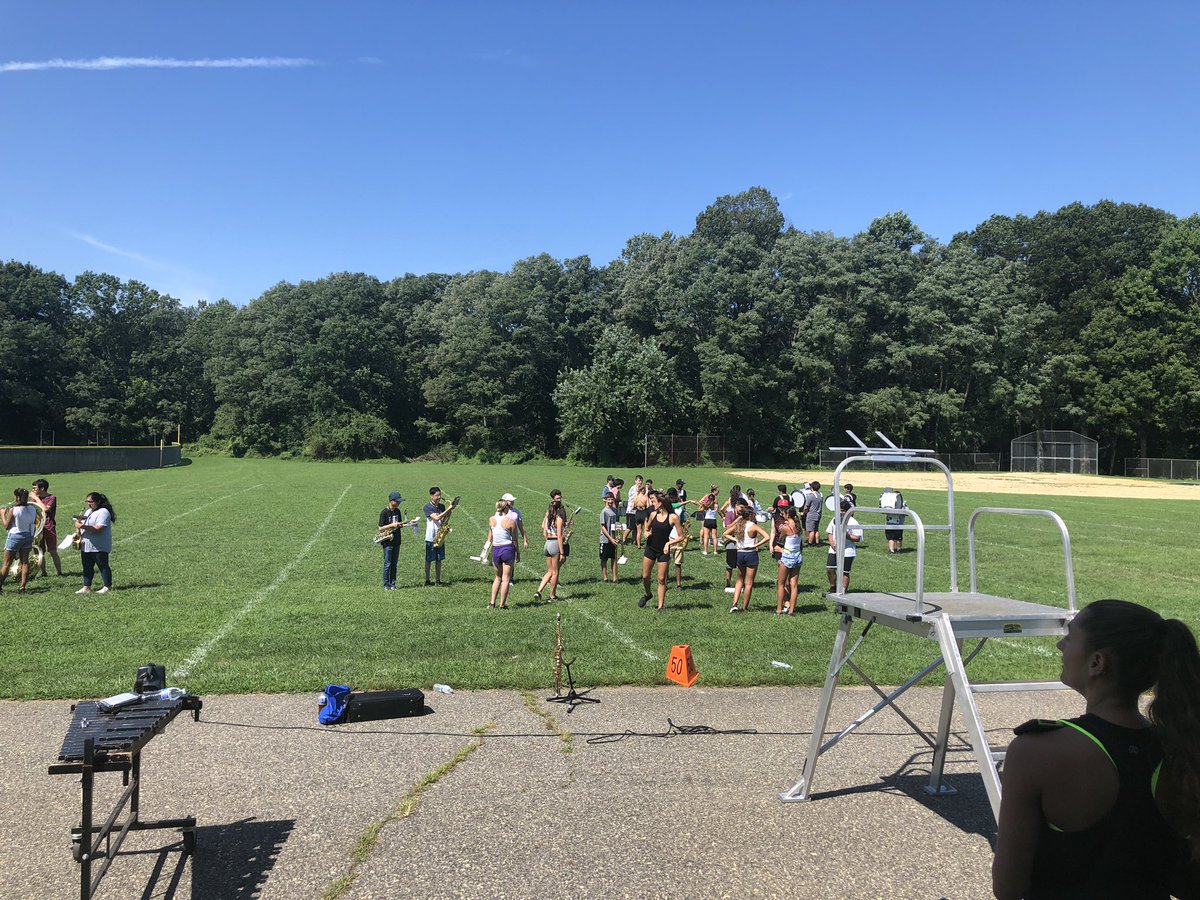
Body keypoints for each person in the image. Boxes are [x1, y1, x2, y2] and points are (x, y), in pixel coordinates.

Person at [992, 600, 1200, 899]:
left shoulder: (1036, 752)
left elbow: (1008, 888)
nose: (1060, 646)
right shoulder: (1179, 747)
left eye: (1070, 637)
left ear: (1096, 663)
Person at [722, 504, 770, 613]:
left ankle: (734, 604)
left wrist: (736, 540)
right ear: (751, 515)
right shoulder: (753, 526)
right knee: (749, 583)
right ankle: (745, 607)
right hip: (751, 554)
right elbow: (767, 536)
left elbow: (725, 533)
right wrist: (756, 545)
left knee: (739, 580)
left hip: (740, 553)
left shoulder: (739, 524)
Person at [639, 491, 680, 611]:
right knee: (645, 576)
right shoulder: (653, 514)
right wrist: (646, 533)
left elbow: (681, 536)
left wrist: (668, 543)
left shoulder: (673, 517)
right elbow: (646, 528)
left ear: (661, 503)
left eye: (654, 501)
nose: (652, 504)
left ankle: (661, 607)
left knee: (661, 579)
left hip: (664, 551)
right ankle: (648, 594)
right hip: (650, 548)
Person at [1, 487, 45, 594]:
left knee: (6, 563)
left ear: (17, 497)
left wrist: (2, 514)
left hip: (15, 536)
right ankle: (22, 586)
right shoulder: (33, 509)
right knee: (24, 562)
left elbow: (6, 526)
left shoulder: (13, 510)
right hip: (28, 536)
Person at [75, 491, 115, 595]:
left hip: (98, 545)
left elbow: (99, 529)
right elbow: (84, 525)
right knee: (87, 567)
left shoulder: (103, 512)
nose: (89, 504)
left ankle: (107, 586)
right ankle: (86, 587)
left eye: (91, 502)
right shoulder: (88, 511)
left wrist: (82, 526)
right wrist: (79, 527)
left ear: (98, 501)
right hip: (86, 545)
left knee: (103, 566)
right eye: (87, 501)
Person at [377, 491, 414, 591]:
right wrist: (391, 525)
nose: (399, 503)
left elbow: (400, 525)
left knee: (394, 564)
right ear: (392, 501)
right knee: (387, 564)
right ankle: (386, 585)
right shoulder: (384, 512)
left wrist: (409, 523)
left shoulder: (397, 511)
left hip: (397, 541)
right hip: (387, 542)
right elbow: (380, 528)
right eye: (397, 501)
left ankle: (393, 584)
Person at [536, 490, 567, 602]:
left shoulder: (548, 517)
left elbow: (543, 528)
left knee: (549, 571)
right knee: (555, 572)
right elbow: (559, 536)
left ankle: (539, 591)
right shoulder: (558, 519)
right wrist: (562, 552)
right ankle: (552, 596)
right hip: (554, 544)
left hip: (547, 543)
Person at [825, 498, 862, 593]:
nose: (840, 513)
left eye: (842, 511)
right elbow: (830, 532)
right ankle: (833, 587)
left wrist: (847, 536)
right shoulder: (834, 520)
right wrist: (831, 543)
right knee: (830, 569)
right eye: (839, 510)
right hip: (834, 549)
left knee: (844, 572)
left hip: (847, 551)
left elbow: (858, 538)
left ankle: (843, 591)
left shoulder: (853, 522)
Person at [488, 498, 519, 609]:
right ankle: (502, 605)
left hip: (496, 549)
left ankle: (492, 603)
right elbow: (514, 539)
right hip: (507, 549)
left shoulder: (491, 519)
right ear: (506, 508)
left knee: (497, 578)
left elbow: (490, 536)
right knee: (506, 579)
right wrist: (518, 552)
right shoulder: (510, 521)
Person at [31, 479, 64, 576]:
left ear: (42, 488)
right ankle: (43, 572)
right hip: (38, 528)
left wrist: (36, 498)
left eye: (35, 488)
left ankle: (59, 572)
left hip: (49, 527)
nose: (33, 490)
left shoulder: (51, 497)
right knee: (39, 552)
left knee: (53, 551)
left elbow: (45, 509)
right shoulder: (35, 499)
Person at [774, 507, 803, 615]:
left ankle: (779, 610)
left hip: (787, 557)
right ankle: (791, 610)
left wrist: (780, 549)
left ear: (787, 514)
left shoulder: (786, 528)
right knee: (794, 585)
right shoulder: (799, 527)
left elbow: (780, 540)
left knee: (781, 583)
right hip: (797, 556)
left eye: (783, 513)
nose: (782, 515)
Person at [423, 486, 450, 586]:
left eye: (440, 495)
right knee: (429, 559)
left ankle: (438, 580)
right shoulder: (427, 507)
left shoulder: (442, 506)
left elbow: (444, 518)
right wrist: (449, 509)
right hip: (431, 537)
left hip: (440, 536)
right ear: (431, 496)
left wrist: (448, 513)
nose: (439, 497)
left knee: (439, 559)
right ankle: (427, 580)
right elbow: (437, 518)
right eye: (436, 495)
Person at [600, 491, 620, 583]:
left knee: (614, 557)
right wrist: (610, 538)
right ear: (605, 500)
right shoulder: (604, 512)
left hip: (614, 538)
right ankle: (605, 576)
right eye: (609, 499)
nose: (610, 501)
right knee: (604, 558)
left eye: (612, 499)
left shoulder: (615, 511)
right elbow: (603, 527)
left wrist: (618, 535)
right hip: (605, 539)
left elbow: (617, 524)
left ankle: (614, 577)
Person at [880, 486, 906, 553]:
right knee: (892, 537)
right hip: (893, 523)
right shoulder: (893, 503)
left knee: (896, 537)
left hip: (896, 523)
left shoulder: (902, 504)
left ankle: (896, 549)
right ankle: (893, 549)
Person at [697, 485, 720, 554]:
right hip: (714, 521)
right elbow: (720, 511)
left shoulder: (707, 506)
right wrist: (723, 517)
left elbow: (699, 510)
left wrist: (702, 505)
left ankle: (706, 551)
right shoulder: (716, 505)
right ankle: (715, 551)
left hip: (707, 520)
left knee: (706, 536)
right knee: (714, 537)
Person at [804, 480, 824, 547]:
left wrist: (804, 513)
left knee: (811, 530)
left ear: (811, 487)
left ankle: (810, 543)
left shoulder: (810, 496)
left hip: (811, 514)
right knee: (816, 529)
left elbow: (806, 507)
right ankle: (817, 543)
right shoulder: (820, 495)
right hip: (818, 514)